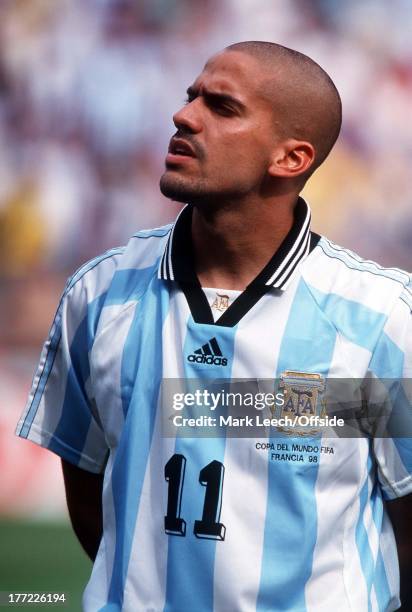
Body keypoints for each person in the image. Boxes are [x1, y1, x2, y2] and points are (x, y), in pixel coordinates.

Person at [16, 41, 412, 611]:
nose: (184, 115)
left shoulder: (380, 319)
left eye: (222, 107)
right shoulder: (100, 293)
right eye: (190, 97)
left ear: (291, 159)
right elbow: (89, 493)